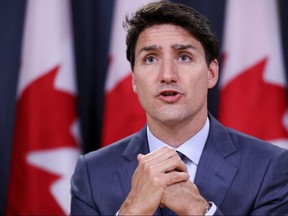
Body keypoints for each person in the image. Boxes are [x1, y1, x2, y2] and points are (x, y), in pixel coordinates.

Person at [70, 1, 288, 215]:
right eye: (151, 59)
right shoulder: (91, 173)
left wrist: (199, 210)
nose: (167, 75)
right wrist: (132, 211)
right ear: (134, 80)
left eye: (184, 57)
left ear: (211, 73)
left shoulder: (269, 167)